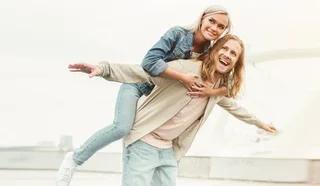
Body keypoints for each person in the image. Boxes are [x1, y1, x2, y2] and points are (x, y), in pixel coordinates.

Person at [56, 5, 234, 186]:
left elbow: (230, 85)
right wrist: (182, 78)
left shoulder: (210, 53)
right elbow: (148, 62)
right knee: (122, 127)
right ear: (202, 18)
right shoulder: (178, 34)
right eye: (212, 21)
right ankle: (74, 159)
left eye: (221, 27)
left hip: (155, 98)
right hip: (137, 85)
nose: (214, 28)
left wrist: (211, 92)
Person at [68, 34, 276, 186]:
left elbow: (234, 107)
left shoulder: (215, 91)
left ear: (235, 63)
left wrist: (260, 123)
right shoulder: (187, 69)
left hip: (168, 152)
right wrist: (104, 69)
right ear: (214, 51)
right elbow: (144, 72)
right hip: (144, 143)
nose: (228, 55)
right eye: (225, 49)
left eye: (233, 54)